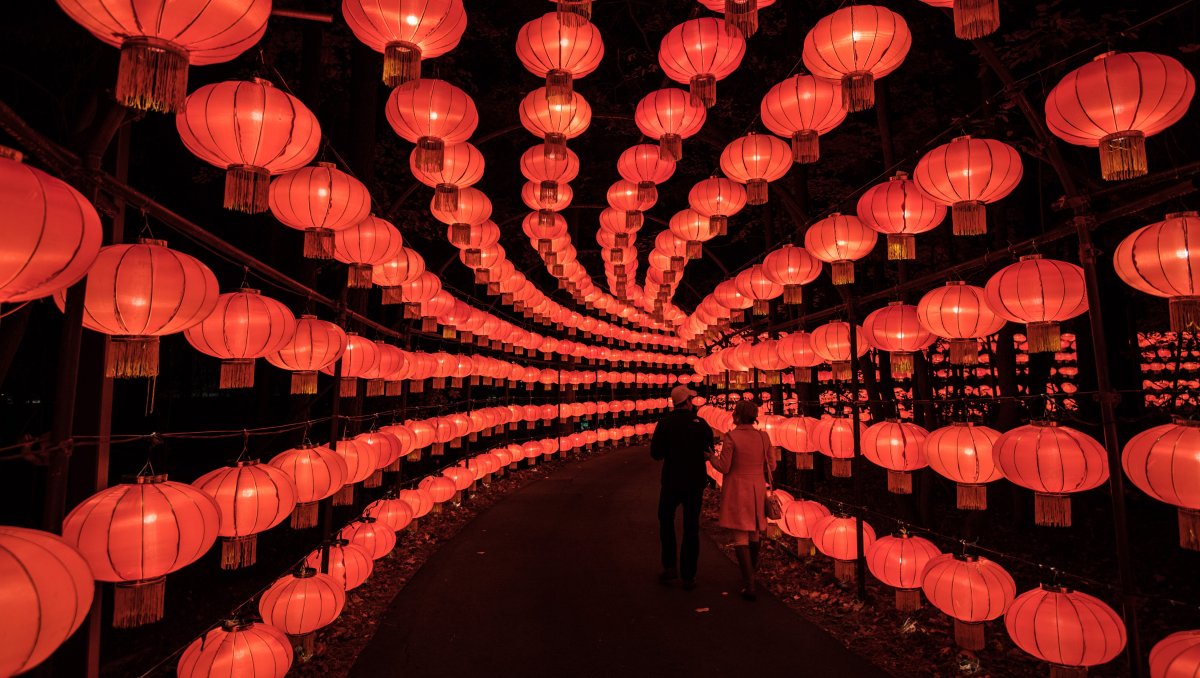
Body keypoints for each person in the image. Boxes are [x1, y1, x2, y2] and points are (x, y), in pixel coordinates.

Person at [706, 400, 775, 601]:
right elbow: (771, 465)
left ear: (737, 415)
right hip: (757, 487)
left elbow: (724, 467)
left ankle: (750, 582)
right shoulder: (763, 437)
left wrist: (711, 458)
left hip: (738, 489)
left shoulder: (731, 437)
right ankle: (751, 574)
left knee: (740, 537)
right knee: (754, 533)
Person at [649, 384, 714, 590]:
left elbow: (656, 454)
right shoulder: (701, 424)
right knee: (691, 526)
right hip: (694, 481)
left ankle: (669, 566)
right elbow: (709, 450)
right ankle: (688, 574)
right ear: (687, 401)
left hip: (671, 480)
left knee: (666, 520)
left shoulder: (665, 424)